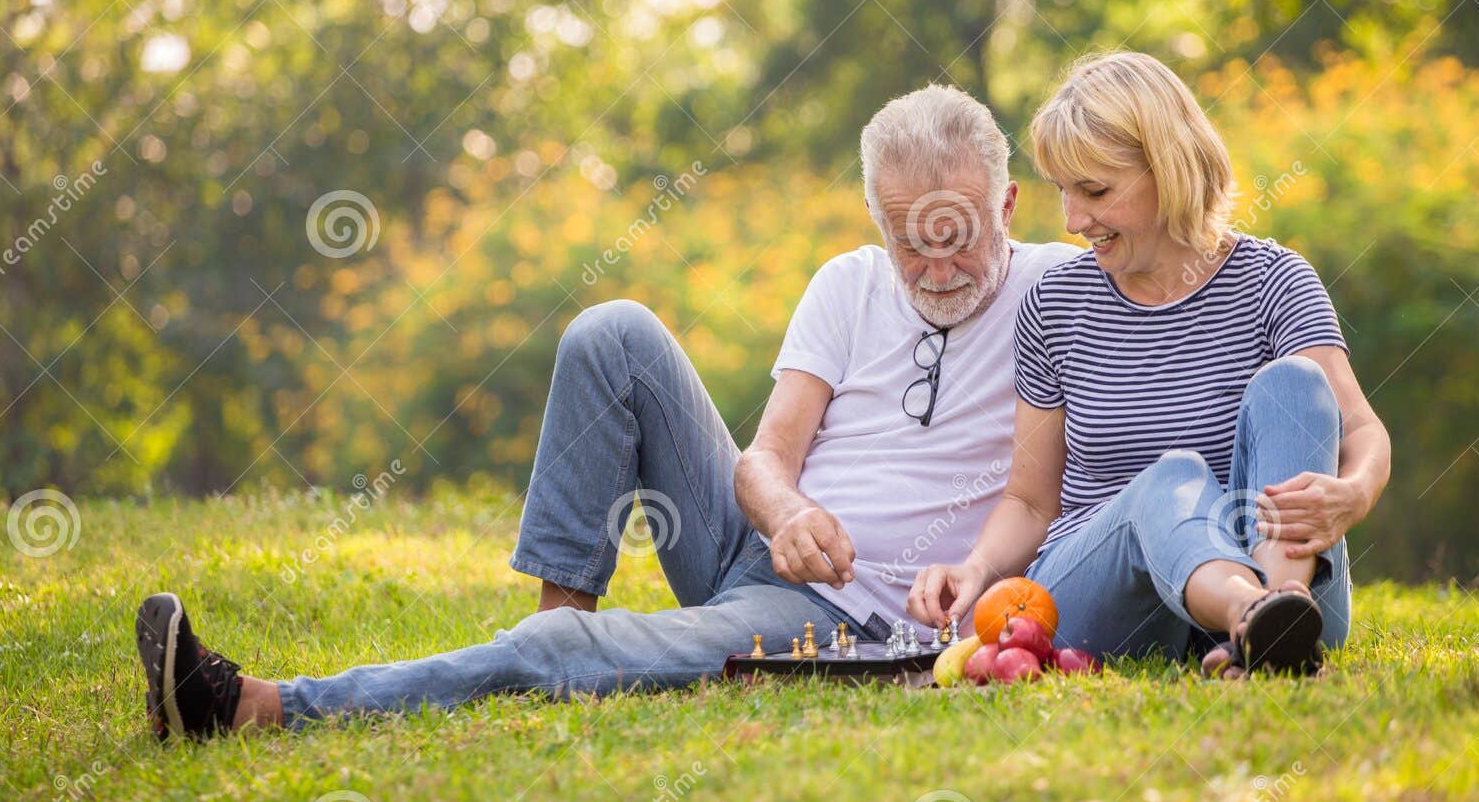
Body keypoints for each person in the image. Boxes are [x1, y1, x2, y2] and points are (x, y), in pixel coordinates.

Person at [133, 85, 1077, 739]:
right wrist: (787, 514)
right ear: (876, 217)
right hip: (762, 554)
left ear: (1008, 201)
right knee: (611, 329)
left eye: (957, 231)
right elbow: (763, 459)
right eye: (907, 238)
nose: (936, 265)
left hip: (844, 623)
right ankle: (560, 637)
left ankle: (268, 706)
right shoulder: (849, 282)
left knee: (576, 649)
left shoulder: (1064, 287)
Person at [906, 52, 1390, 676]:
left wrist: (1353, 494)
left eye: (1096, 191)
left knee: (1296, 383)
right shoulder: (1056, 304)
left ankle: (1281, 610)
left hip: (1289, 579)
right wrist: (975, 569)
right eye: (1063, 192)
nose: (1074, 221)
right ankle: (1258, 622)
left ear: (1168, 168)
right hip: (1109, 601)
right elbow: (1030, 501)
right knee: (1171, 476)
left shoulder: (1276, 281)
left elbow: (1365, 431)